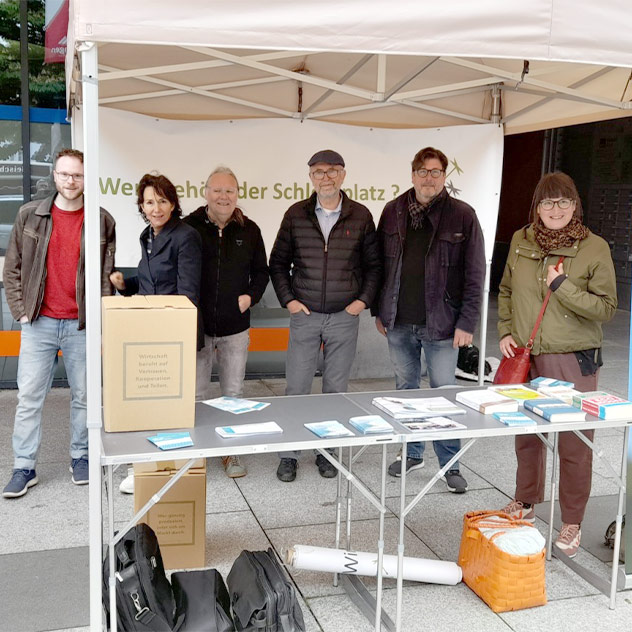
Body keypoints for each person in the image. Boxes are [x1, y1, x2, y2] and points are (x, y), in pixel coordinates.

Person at [497, 171, 617, 557]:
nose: (555, 209)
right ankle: (526, 502)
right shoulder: (521, 239)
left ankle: (572, 521)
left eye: (564, 202)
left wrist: (561, 287)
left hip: (572, 358)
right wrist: (504, 330)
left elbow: (606, 308)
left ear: (575, 206)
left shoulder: (593, 247)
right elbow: (506, 290)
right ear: (537, 206)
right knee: (527, 437)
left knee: (574, 443)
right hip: (526, 355)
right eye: (547, 202)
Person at [2, 148, 116, 498]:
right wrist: (21, 311)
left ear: (86, 178)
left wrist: (100, 321)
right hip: (39, 322)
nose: (71, 181)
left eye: (78, 175)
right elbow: (12, 269)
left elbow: (105, 278)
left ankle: (80, 457)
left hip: (80, 325)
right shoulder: (30, 216)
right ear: (54, 175)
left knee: (83, 396)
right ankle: (24, 466)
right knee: (30, 397)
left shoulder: (101, 220)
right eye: (65, 174)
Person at [373, 146, 485, 493]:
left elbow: (475, 273)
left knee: (443, 396)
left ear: (444, 176)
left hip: (443, 325)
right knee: (405, 393)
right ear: (412, 175)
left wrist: (467, 322)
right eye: (422, 171)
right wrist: (380, 310)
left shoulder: (462, 215)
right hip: (399, 321)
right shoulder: (393, 212)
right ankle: (411, 453)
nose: (428, 178)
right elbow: (379, 266)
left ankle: (450, 464)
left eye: (436, 172)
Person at [269, 149, 381, 482]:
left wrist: (360, 302)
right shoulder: (295, 214)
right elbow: (277, 263)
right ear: (310, 177)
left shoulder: (360, 215)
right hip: (305, 315)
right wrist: (289, 300)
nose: (326, 177)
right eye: (318, 172)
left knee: (335, 389)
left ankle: (327, 451)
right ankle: (290, 452)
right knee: (297, 387)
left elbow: (374, 266)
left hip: (344, 316)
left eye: (332, 171)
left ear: (343, 175)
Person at [110, 172, 201, 493]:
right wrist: (126, 285)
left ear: (173, 203)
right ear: (142, 206)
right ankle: (150, 466)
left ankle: (164, 469)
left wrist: (166, 326)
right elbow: (151, 283)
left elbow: (187, 292)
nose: (156, 207)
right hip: (148, 330)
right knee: (150, 405)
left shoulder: (185, 236)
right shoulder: (147, 235)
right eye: (149, 202)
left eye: (162, 201)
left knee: (168, 407)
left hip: (173, 333)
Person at [184, 166, 269, 478]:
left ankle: (229, 453)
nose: (223, 196)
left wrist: (249, 297)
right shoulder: (189, 227)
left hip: (236, 327)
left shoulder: (250, 230)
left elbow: (262, 272)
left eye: (229, 191)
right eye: (217, 190)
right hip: (197, 327)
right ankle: (197, 452)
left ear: (237, 195)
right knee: (194, 394)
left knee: (233, 394)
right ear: (205, 193)